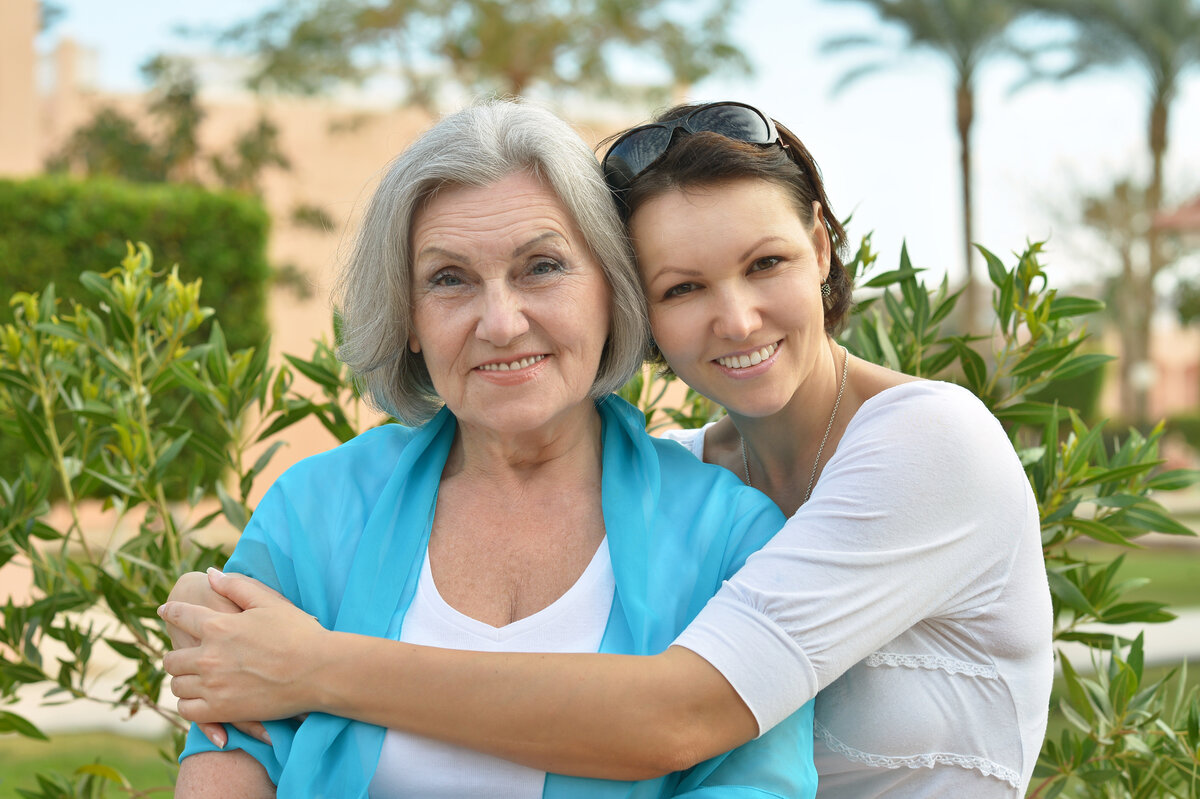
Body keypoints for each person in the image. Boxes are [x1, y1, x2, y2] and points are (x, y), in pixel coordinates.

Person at [162, 100, 1054, 797]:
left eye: (543, 266)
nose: (735, 316)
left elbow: (683, 723)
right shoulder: (323, 503)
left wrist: (314, 666)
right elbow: (228, 726)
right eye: (686, 284)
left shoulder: (910, 452)